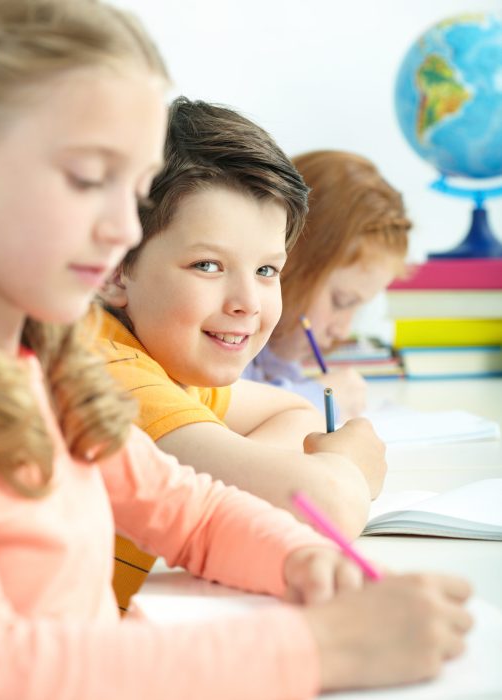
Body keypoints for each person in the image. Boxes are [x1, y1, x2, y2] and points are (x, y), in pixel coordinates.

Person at [0, 2, 472, 697]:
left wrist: (303, 559)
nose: (123, 226)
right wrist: (318, 650)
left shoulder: (50, 372)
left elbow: (193, 512)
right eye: (89, 178)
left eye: (136, 187)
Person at [97, 97, 387, 607]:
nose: (247, 304)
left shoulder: (162, 362)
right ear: (116, 269)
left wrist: (239, 480)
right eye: (208, 265)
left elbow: (290, 409)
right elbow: (328, 509)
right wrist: (346, 468)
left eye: (266, 270)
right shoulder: (109, 374)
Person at [243, 150, 412, 419]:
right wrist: (316, 400)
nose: (341, 331)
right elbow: (225, 413)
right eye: (341, 301)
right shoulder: (223, 341)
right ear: (288, 263)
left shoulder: (269, 357)